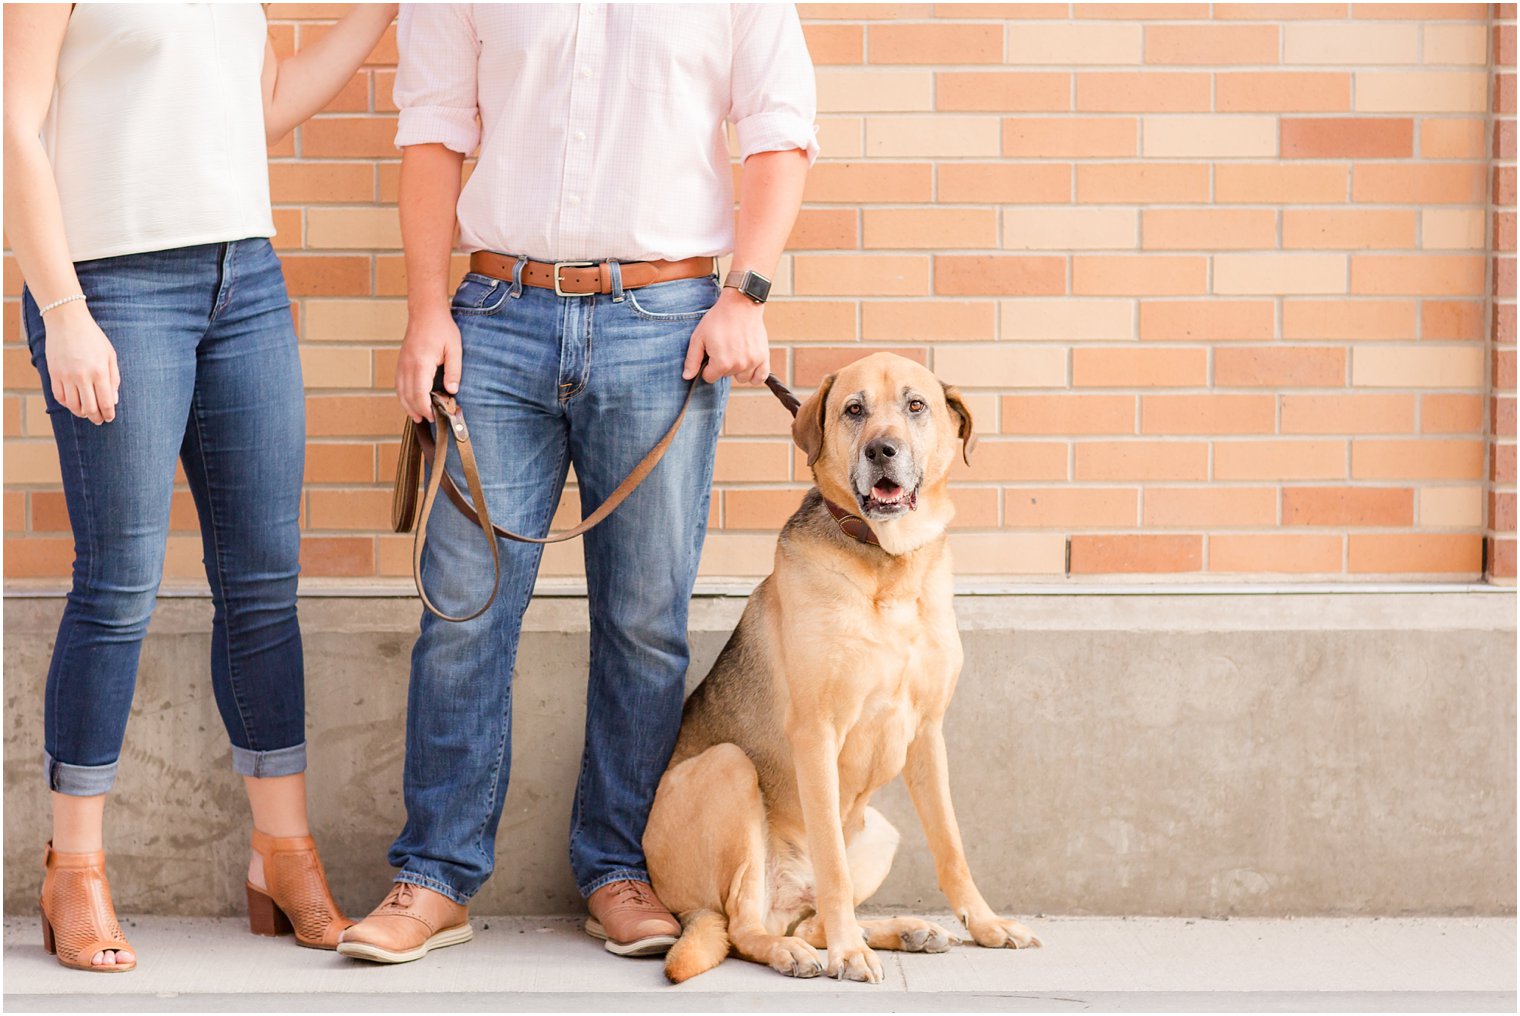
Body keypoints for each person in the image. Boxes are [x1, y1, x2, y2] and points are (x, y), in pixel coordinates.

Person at [338, 3, 816, 965]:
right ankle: (434, 874)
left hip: (666, 320)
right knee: (466, 609)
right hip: (497, 318)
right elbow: (433, 132)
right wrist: (426, 311)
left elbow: (780, 131)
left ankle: (618, 868)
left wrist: (744, 293)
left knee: (644, 619)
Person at [3, 2, 396, 972]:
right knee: (120, 581)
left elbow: (258, 103)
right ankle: (76, 868)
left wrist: (379, 9)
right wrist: (64, 310)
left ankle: (281, 851)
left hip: (245, 280)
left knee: (264, 583)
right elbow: (12, 121)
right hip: (113, 284)